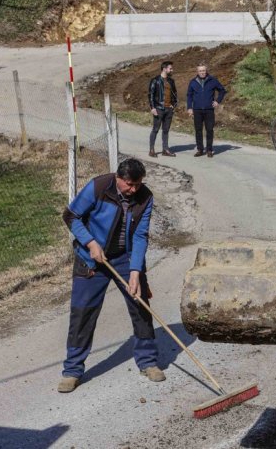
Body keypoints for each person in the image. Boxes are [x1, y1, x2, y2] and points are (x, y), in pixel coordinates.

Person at [57, 158, 164, 393]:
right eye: (129, 184)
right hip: (91, 258)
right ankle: (72, 370)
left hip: (124, 258)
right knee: (83, 312)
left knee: (140, 305)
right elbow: (71, 216)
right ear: (118, 178)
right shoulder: (99, 187)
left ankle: (148, 361)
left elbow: (141, 235)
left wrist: (136, 271)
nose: (133, 189)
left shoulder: (145, 196)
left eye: (137, 184)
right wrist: (90, 243)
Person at [186, 63, 226, 157]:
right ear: (197, 72)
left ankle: (209, 150)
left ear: (206, 70)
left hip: (209, 110)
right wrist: (189, 108)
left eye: (203, 70)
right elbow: (189, 96)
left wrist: (217, 101)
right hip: (197, 110)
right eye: (200, 71)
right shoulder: (193, 82)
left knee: (209, 130)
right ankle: (200, 149)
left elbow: (222, 90)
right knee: (198, 130)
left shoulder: (213, 80)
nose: (202, 72)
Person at [148, 61, 178, 158]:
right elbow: (151, 95)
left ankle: (165, 149)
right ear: (164, 69)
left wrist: (174, 104)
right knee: (155, 129)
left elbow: (175, 93)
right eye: (170, 68)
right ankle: (151, 150)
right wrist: (152, 107)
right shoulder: (155, 80)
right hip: (159, 109)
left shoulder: (171, 81)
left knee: (166, 130)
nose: (172, 70)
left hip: (169, 109)